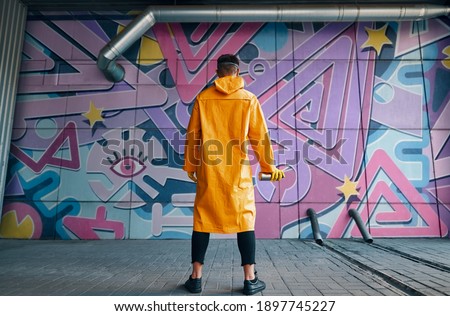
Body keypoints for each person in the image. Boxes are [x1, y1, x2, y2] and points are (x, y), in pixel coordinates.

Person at [183, 54, 284, 295]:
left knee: (201, 221)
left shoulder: (203, 98)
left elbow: (193, 136)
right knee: (245, 221)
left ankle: (196, 278)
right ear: (237, 72)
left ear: (218, 73)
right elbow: (260, 137)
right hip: (238, 172)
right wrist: (269, 167)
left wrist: (190, 166)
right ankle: (250, 279)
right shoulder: (248, 99)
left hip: (209, 171)